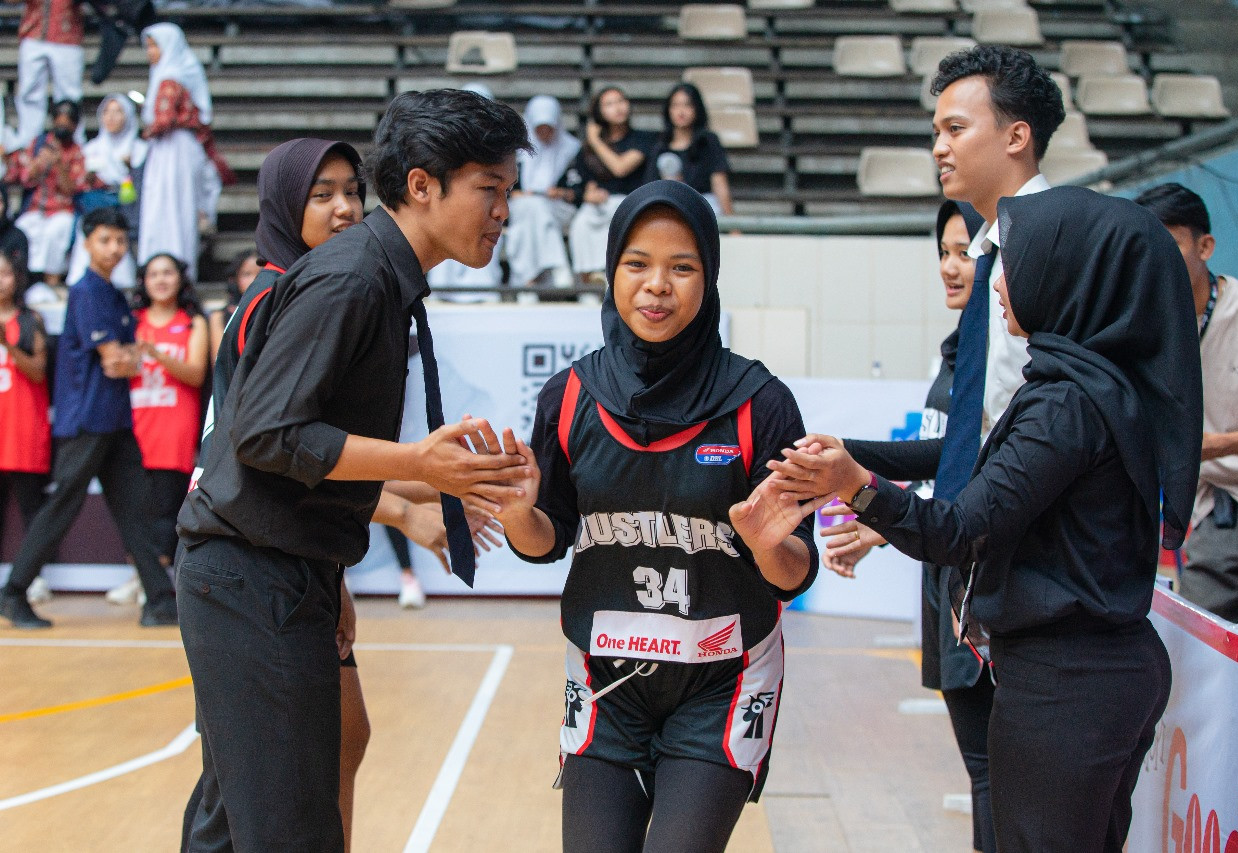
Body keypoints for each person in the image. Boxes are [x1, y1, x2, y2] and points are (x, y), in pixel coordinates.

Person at [766, 186, 1202, 853]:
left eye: (1011, 261)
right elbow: (975, 472)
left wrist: (857, 487)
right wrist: (854, 460)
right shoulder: (1094, 386)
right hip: (1099, 670)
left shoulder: (1065, 405)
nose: (994, 281)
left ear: (1065, 276)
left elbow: (962, 529)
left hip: (1067, 684)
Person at [174, 91, 531, 851]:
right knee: (291, 830)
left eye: (509, 192)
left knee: (233, 827)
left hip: (280, 570)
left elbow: (301, 450)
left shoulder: (377, 277)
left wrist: (387, 517)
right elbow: (266, 434)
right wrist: (418, 466)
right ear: (424, 184)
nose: (503, 211)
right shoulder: (352, 279)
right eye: (489, 190)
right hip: (248, 578)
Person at [497, 180, 820, 853]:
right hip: (606, 677)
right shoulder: (572, 395)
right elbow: (545, 543)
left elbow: (793, 574)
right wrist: (519, 510)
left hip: (722, 679)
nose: (657, 286)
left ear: (710, 277)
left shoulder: (761, 403)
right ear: (611, 270)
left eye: (682, 267)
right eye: (637, 264)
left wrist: (767, 548)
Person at [822, 200, 997, 853]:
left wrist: (860, 485)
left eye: (967, 253)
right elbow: (947, 461)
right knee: (982, 766)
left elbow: (971, 467)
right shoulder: (956, 351)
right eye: (944, 253)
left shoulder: (1006, 357)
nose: (952, 268)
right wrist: (853, 474)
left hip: (975, 574)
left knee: (992, 769)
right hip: (940, 570)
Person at [1, 206, 178, 629]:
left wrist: (127, 359)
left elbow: (126, 361)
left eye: (120, 240)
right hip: (86, 419)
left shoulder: (113, 293)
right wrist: (127, 358)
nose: (115, 248)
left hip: (115, 420)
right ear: (87, 243)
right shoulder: (88, 291)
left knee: (135, 509)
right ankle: (13, 592)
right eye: (105, 240)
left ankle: (160, 600)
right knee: (62, 506)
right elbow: (118, 361)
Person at [1135, 183, 1238, 643]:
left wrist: (1215, 446)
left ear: (1205, 246)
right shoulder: (1148, 327)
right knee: (1198, 649)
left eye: (1170, 243)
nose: (1157, 258)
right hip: (1211, 506)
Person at [930, 46, 1064, 438]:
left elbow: (1057, 418)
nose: (939, 148)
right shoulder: (992, 247)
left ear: (1016, 137)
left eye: (955, 129)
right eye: (936, 133)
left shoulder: (1057, 244)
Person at [137, 22, 232, 279]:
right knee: (175, 209)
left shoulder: (170, 78)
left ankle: (168, 272)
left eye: (155, 46)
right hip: (177, 148)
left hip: (173, 149)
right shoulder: (180, 73)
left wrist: (143, 132)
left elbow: (163, 120)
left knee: (169, 208)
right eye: (148, 47)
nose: (151, 53)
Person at [131, 253, 207, 559]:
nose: (161, 280)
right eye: (153, 274)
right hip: (135, 424)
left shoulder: (193, 322)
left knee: (168, 506)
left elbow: (196, 373)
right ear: (144, 282)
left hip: (175, 427)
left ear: (180, 278)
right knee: (135, 508)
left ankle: (161, 580)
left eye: (168, 273)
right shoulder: (131, 321)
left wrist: (156, 354)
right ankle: (143, 580)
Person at [0, 252, 51, 599]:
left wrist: (8, 345)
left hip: (23, 430)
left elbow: (37, 371)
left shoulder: (31, 319)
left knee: (34, 511)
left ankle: (30, 579)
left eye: (4, 273)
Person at [566, 86, 653, 285]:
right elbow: (582, 179)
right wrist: (588, 193)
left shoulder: (642, 139)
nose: (618, 107)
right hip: (598, 205)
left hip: (630, 201)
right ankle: (587, 280)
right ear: (599, 111)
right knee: (581, 222)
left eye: (621, 101)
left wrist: (596, 140)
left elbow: (620, 168)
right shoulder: (587, 149)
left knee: (616, 216)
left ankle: (610, 280)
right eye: (609, 104)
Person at [427, 81, 505, 302]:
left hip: (488, 202)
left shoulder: (500, 141)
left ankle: (484, 290)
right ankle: (441, 289)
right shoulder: (446, 136)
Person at [68, 94, 149, 289]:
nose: (111, 117)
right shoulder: (92, 149)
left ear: (128, 116)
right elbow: (78, 185)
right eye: (107, 112)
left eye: (118, 112)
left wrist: (131, 169)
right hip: (96, 208)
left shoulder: (140, 149)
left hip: (129, 208)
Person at [11, 99, 90, 290]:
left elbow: (72, 188)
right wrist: (39, 163)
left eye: (68, 121)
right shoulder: (38, 144)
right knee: (22, 230)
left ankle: (50, 282)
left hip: (63, 209)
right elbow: (24, 178)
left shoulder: (77, 151)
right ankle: (24, 282)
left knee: (55, 232)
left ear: (75, 125)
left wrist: (59, 165)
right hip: (35, 208)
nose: (62, 125)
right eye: (59, 120)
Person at [505, 95, 579, 289]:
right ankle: (557, 268)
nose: (545, 133)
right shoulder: (517, 150)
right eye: (540, 128)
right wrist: (515, 193)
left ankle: (526, 280)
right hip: (524, 207)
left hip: (559, 208)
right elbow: (507, 186)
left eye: (549, 128)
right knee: (534, 209)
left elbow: (576, 190)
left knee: (534, 212)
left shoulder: (571, 149)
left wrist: (560, 192)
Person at [644, 84, 733, 217]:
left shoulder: (708, 141)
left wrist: (732, 224)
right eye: (675, 105)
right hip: (667, 211)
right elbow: (649, 186)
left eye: (687, 105)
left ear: (697, 108)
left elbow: (719, 184)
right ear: (668, 110)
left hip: (703, 207)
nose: (681, 111)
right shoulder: (659, 145)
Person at [10, 0, 84, 149]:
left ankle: (72, 147)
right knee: (29, 93)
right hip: (34, 29)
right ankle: (29, 146)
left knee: (69, 96)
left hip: (67, 31)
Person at [207, 249, 258, 357]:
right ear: (234, 279)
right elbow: (220, 360)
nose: (254, 280)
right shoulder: (219, 317)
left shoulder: (278, 311)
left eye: (261, 274)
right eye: (247, 274)